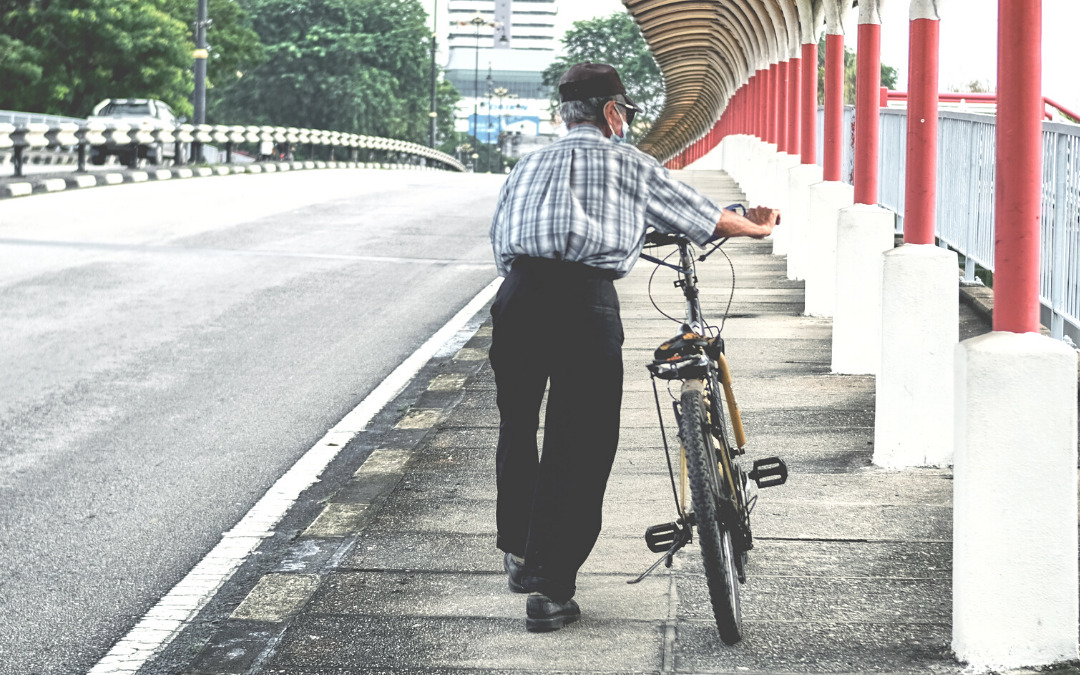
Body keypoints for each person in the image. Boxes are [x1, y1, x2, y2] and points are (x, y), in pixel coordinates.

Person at [487, 62, 779, 633]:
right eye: (624, 114)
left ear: (562, 114)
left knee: (518, 426)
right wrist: (757, 227)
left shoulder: (527, 164)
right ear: (612, 114)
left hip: (517, 295)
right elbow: (703, 216)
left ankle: (522, 553)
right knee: (580, 438)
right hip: (581, 302)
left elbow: (500, 239)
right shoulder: (629, 163)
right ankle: (548, 588)